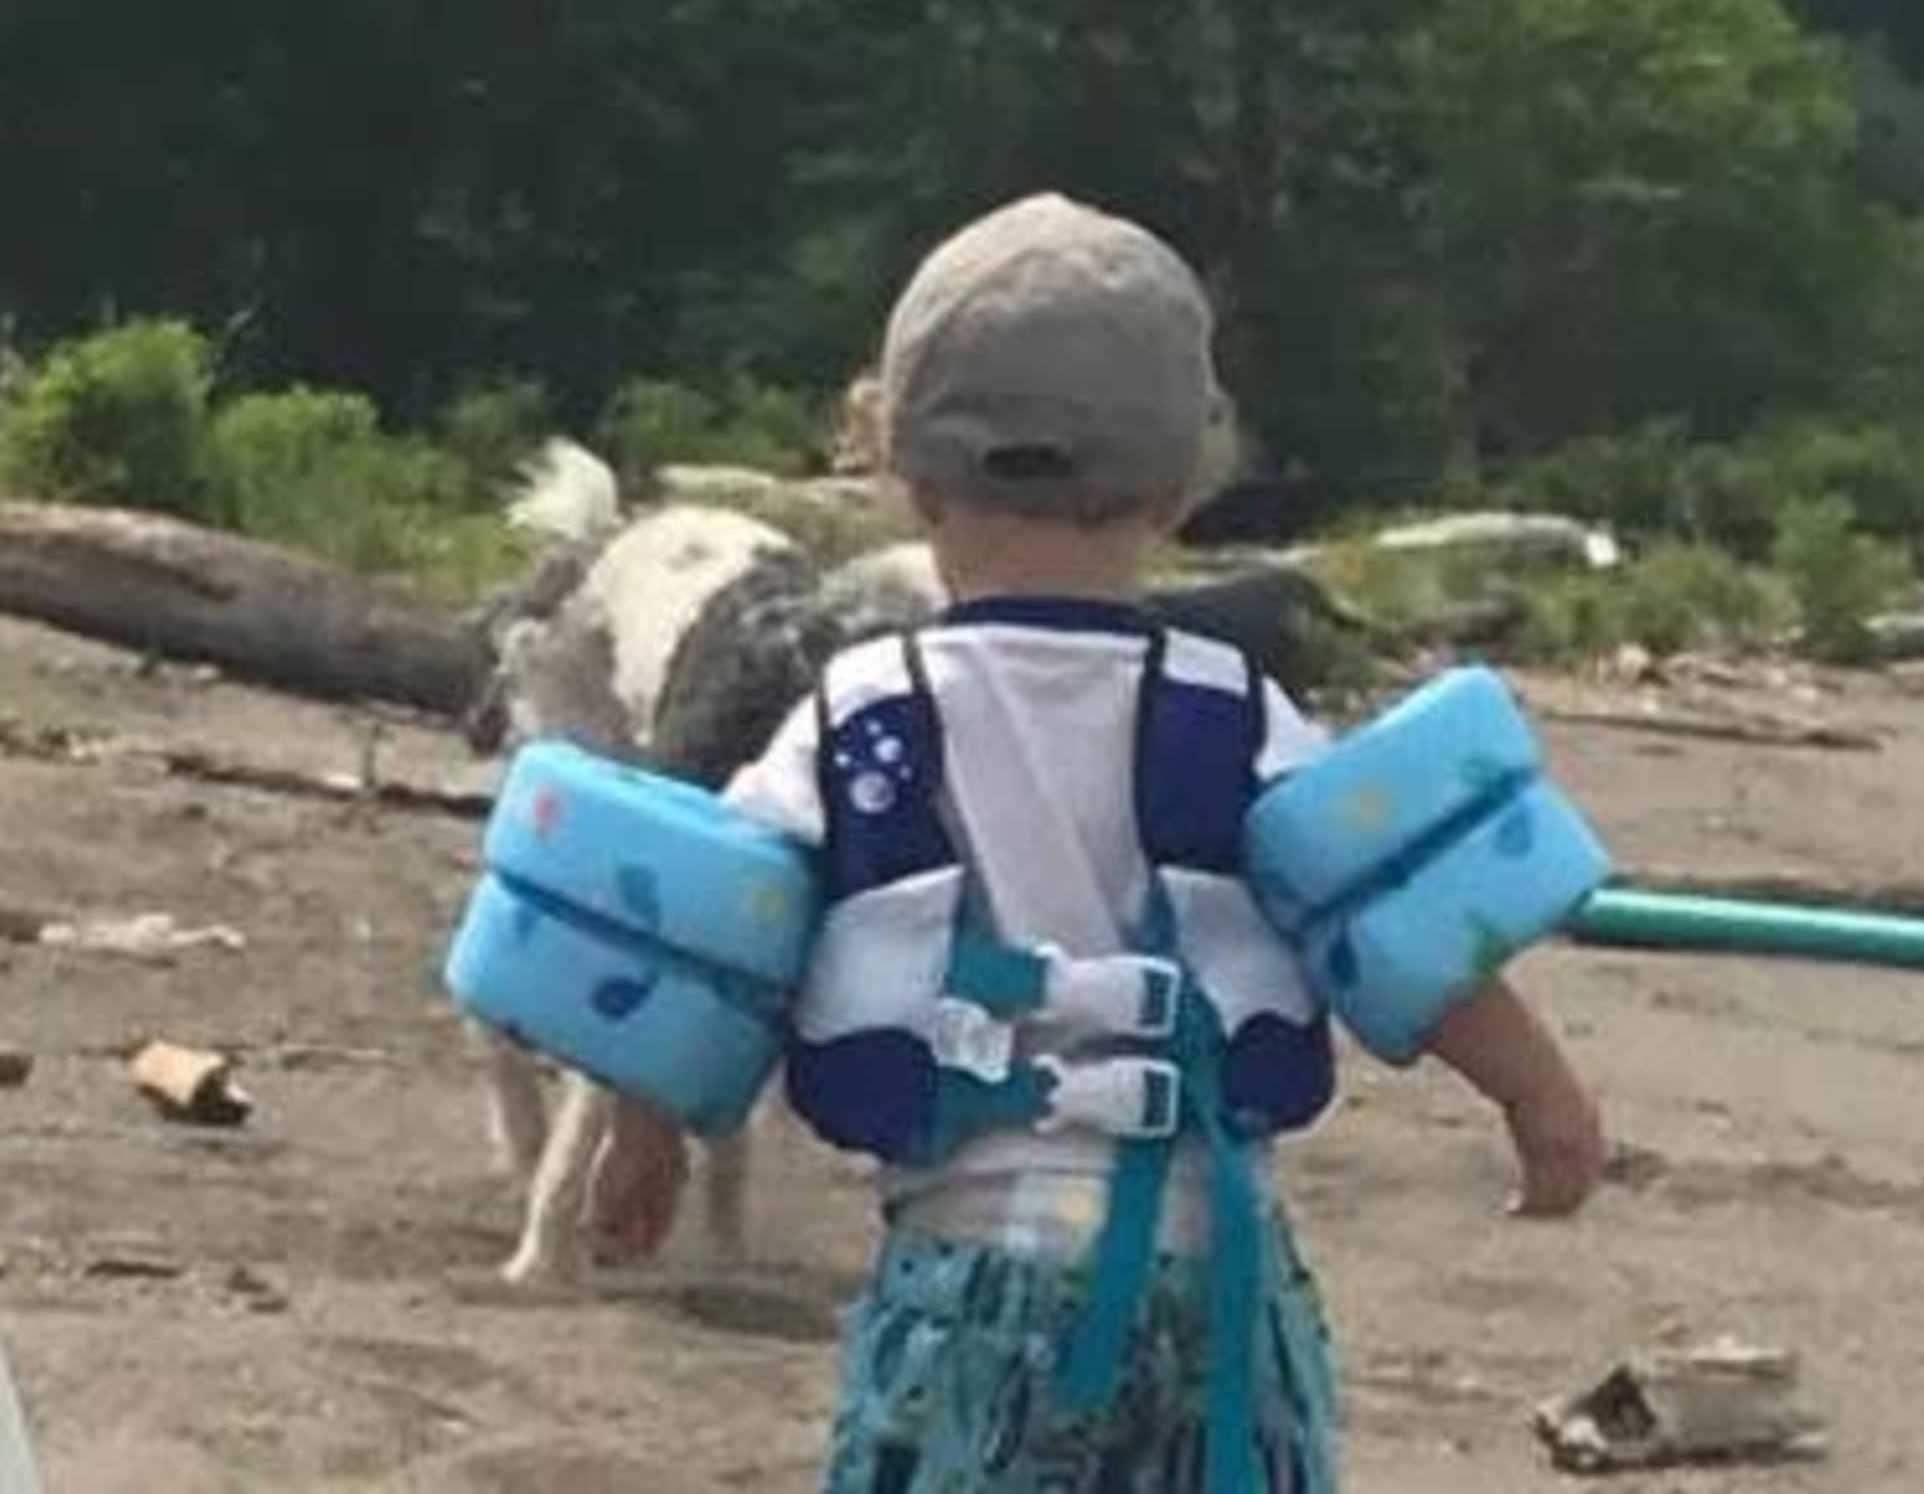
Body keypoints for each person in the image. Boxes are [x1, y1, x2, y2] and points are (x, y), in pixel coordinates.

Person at [583, 191, 1606, 1493]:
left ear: (903, 472)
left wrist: (646, 1131)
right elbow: (1394, 918)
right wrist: (1537, 1094)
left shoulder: (858, 716)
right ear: (1179, 491)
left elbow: (708, 931)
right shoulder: (1238, 712)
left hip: (968, 1278)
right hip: (1213, 1291)